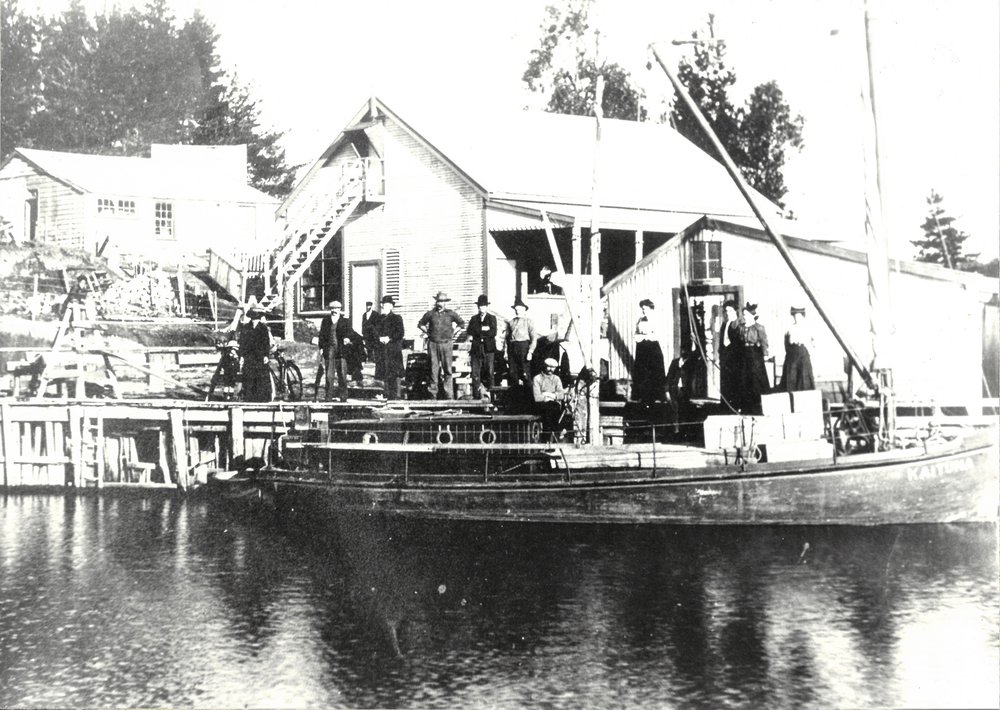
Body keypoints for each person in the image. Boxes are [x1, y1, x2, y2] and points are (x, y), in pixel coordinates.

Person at [417, 291, 465, 399]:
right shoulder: (430, 313)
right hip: (433, 344)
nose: (440, 303)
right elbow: (420, 324)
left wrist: (454, 332)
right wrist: (427, 332)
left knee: (447, 369)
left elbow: (461, 323)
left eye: (443, 302)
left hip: (446, 344)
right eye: (439, 301)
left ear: (445, 303)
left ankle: (449, 395)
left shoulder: (451, 313)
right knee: (434, 369)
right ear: (436, 301)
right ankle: (433, 394)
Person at [318, 300, 355, 401]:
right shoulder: (325, 321)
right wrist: (321, 348)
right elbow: (321, 335)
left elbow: (350, 333)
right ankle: (328, 396)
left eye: (337, 309)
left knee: (342, 374)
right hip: (329, 349)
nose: (335, 310)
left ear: (340, 309)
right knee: (329, 374)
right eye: (333, 309)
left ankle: (343, 396)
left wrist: (347, 338)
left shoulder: (345, 321)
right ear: (330, 310)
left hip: (341, 350)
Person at [632, 298, 666, 404]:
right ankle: (643, 396)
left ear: (650, 308)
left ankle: (656, 395)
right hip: (642, 347)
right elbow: (635, 333)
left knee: (654, 371)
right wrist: (640, 336)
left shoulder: (656, 319)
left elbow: (658, 334)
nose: (643, 311)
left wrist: (648, 336)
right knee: (642, 371)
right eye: (642, 309)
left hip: (652, 347)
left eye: (645, 309)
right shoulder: (640, 319)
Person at [740, 302, 771, 414]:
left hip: (755, 356)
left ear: (752, 315)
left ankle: (757, 407)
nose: (744, 316)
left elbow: (764, 342)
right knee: (745, 380)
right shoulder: (742, 328)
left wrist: (765, 354)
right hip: (744, 355)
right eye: (743, 314)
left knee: (756, 381)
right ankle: (746, 407)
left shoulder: (759, 327)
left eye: (746, 314)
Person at [238, 307, 273, 402]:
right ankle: (249, 397)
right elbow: (242, 342)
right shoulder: (245, 328)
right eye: (253, 319)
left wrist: (266, 355)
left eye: (256, 319)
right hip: (249, 356)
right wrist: (241, 356)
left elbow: (266, 343)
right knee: (249, 377)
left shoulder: (263, 328)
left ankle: (262, 398)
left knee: (261, 377)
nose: (254, 321)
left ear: (259, 318)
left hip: (260, 356)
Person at [466, 294, 498, 399]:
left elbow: (493, 332)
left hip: (489, 349)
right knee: (475, 373)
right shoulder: (474, 319)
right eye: (479, 306)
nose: (481, 308)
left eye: (483, 306)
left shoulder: (492, 318)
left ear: (487, 307)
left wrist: (479, 331)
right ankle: (476, 397)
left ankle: (492, 397)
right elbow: (470, 330)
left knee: (489, 372)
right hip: (476, 349)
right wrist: (483, 329)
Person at [781, 306, 816, 392]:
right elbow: (786, 343)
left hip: (803, 353)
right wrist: (789, 352)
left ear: (802, 317)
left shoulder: (806, 328)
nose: (797, 318)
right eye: (795, 316)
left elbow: (812, 342)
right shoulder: (789, 328)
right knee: (791, 374)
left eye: (799, 316)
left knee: (804, 375)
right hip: (792, 354)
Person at [376, 295, 405, 399]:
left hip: (394, 349)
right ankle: (387, 394)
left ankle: (396, 395)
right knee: (385, 371)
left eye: (388, 305)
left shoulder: (397, 318)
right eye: (384, 304)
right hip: (383, 349)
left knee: (395, 372)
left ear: (392, 306)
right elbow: (375, 332)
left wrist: (390, 338)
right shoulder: (379, 319)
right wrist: (379, 338)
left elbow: (400, 333)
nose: (385, 306)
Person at [717, 299, 743, 411]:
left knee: (735, 382)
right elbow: (722, 342)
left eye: (730, 310)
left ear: (735, 311)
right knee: (725, 382)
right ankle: (725, 406)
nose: (728, 313)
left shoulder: (739, 325)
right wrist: (721, 355)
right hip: (725, 358)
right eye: (726, 311)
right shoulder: (724, 324)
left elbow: (740, 343)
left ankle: (736, 406)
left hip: (735, 359)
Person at [504, 299, 537, 388]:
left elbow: (534, 338)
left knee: (525, 374)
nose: (517, 311)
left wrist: (530, 352)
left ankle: (528, 398)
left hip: (524, 348)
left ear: (524, 310)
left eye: (520, 309)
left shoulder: (529, 322)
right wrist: (506, 352)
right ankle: (514, 397)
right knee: (512, 373)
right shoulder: (511, 322)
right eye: (516, 309)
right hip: (512, 348)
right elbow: (506, 339)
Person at [532, 356, 565, 440]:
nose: (551, 369)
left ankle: (546, 441)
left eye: (553, 367)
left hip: (553, 405)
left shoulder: (556, 379)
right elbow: (537, 397)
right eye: (549, 367)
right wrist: (552, 396)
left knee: (549, 413)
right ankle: (558, 429)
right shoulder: (537, 378)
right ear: (544, 366)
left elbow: (562, 395)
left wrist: (547, 394)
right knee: (550, 409)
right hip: (542, 405)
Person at [361, 300, 382, 374]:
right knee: (368, 346)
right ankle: (369, 358)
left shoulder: (375, 314)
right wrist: (363, 332)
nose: (368, 307)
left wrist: (375, 332)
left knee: (374, 346)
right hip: (367, 334)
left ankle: (374, 359)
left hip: (373, 334)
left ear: (371, 306)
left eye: (369, 306)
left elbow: (378, 325)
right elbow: (363, 324)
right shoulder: (364, 315)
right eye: (367, 306)